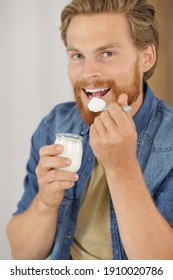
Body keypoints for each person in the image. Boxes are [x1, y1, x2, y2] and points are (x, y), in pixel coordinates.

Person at [7, 0, 173, 260]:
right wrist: (46, 203)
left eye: (107, 53)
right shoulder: (55, 125)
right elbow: (21, 256)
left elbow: (162, 267)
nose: (89, 72)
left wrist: (122, 168)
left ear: (146, 58)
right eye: (77, 56)